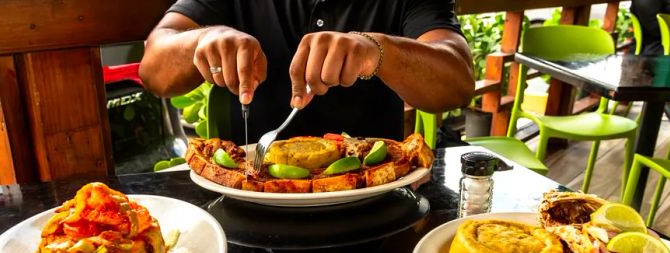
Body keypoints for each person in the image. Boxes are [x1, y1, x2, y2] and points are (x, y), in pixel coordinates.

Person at [139, 1, 475, 144]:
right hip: (246, 205)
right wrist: (202, 39)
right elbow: (154, 71)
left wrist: (377, 50)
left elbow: (457, 83)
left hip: (372, 207)